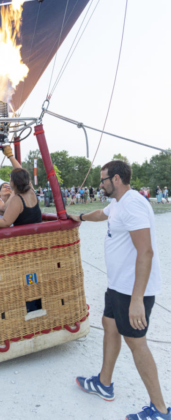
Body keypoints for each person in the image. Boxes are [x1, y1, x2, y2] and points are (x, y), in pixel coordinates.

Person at [68, 161, 170, 420]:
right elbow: (103, 213)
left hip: (131, 290)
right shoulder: (119, 203)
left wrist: (137, 299)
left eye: (102, 180)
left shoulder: (133, 204)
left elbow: (145, 251)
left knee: (137, 344)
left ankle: (160, 410)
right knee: (109, 325)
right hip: (118, 286)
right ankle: (104, 383)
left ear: (115, 179)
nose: (99, 185)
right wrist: (79, 217)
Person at [0, 146, 42, 228]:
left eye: (9, 181)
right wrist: (10, 156)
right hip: (37, 232)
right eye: (4, 186)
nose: (8, 186)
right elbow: (22, 174)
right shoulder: (31, 192)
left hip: (24, 237)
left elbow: (6, 222)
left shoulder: (17, 199)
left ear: (13, 183)